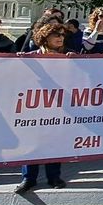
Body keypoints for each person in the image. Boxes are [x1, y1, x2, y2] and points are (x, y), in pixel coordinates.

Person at [16, 21, 71, 193]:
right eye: (57, 35)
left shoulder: (69, 57)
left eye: (62, 35)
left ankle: (54, 176)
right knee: (31, 143)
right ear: (45, 38)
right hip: (34, 107)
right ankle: (28, 178)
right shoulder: (30, 57)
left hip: (58, 107)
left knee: (54, 142)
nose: (61, 38)